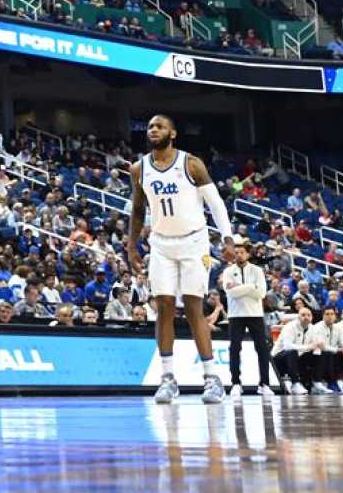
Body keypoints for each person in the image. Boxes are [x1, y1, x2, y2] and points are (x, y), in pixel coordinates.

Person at [129, 114, 233, 405]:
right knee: (163, 307)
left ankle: (212, 379)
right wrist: (131, 246)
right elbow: (138, 211)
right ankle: (167, 378)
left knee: (192, 307)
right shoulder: (139, 169)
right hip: (161, 244)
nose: (153, 130)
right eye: (150, 127)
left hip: (194, 242)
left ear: (172, 133)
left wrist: (227, 239)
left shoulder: (191, 164)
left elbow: (216, 204)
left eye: (159, 126)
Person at [220, 236, 272, 398]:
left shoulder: (257, 271)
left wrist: (242, 287)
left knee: (262, 350)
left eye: (242, 252)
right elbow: (230, 292)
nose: (239, 255)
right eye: (236, 253)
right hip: (236, 315)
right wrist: (251, 288)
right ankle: (236, 383)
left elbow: (261, 293)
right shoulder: (228, 271)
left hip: (255, 314)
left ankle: (264, 384)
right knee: (234, 349)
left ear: (247, 254)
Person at [272, 305, 315, 394]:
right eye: (303, 315)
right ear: (298, 317)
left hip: (296, 358)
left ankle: (315, 383)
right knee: (292, 351)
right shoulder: (290, 327)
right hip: (278, 359)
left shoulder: (312, 328)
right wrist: (308, 347)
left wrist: (316, 346)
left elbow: (314, 345)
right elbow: (287, 346)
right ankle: (295, 383)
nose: (306, 317)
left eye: (308, 315)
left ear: (312, 317)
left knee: (317, 354)